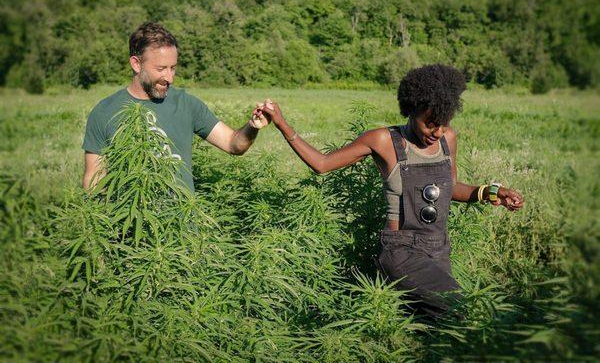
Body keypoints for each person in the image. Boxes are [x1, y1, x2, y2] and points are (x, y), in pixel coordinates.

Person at [260, 64, 524, 318]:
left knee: (433, 329)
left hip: (439, 247)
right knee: (457, 308)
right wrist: (283, 124)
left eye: (444, 124)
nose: (437, 132)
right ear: (411, 110)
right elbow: (322, 164)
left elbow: (450, 187)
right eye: (430, 123)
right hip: (401, 251)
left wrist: (491, 193)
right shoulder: (384, 141)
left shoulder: (448, 139)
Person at [82, 22, 270, 190]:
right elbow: (95, 182)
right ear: (136, 64)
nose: (170, 78)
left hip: (181, 227)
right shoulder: (105, 112)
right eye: (161, 69)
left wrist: (252, 127)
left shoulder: (186, 104)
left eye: (173, 68)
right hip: (130, 227)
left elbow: (233, 144)